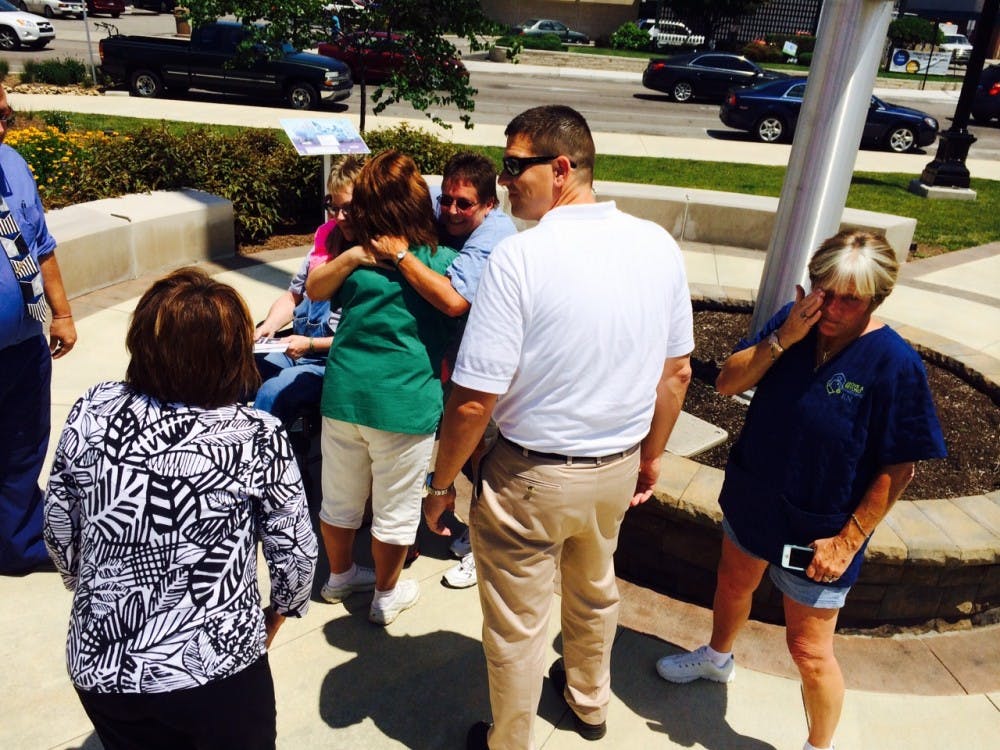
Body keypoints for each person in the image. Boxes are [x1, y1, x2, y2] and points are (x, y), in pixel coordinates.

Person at [422, 105, 694, 750]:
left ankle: (507, 741)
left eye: (514, 166)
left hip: (531, 475)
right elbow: (676, 373)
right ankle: (589, 703)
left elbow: (471, 400)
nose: (504, 180)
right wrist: (651, 457)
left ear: (561, 167)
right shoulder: (656, 243)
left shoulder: (521, 257)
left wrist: (440, 485)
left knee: (517, 626)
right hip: (616, 465)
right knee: (596, 594)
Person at [654, 230, 946, 750]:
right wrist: (784, 336)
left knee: (809, 650)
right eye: (822, 290)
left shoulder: (895, 364)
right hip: (755, 501)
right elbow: (725, 383)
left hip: (820, 534)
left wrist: (847, 541)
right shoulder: (794, 325)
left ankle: (819, 745)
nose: (829, 307)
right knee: (731, 586)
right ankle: (717, 659)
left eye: (847, 299)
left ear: (877, 298)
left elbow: (899, 468)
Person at [43, 267, 317, 750]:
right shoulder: (255, 435)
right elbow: (295, 556)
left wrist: (89, 588)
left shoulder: (93, 408)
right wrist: (277, 614)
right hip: (219, 673)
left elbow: (60, 530)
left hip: (102, 665)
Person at [305, 150, 458, 626]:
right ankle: (386, 597)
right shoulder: (440, 259)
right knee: (395, 510)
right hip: (403, 403)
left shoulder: (358, 261)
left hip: (345, 395)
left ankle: (339, 577)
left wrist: (354, 256)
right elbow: (454, 307)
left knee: (340, 498)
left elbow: (314, 289)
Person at [369, 151, 517, 589]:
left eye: (463, 204)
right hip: (447, 357)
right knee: (439, 447)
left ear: (489, 204)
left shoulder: (496, 233)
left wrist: (399, 255)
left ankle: (481, 545)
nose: (450, 210)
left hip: (486, 365)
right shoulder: (442, 204)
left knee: (480, 453)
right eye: (446, 199)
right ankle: (436, 523)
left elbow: (455, 300)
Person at [0, 83, 77, 575]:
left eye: (5, 115)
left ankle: (17, 543)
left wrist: (62, 313)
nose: (2, 127)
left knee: (23, 444)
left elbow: (41, 245)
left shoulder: (13, 164)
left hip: (25, 343)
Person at [252, 156, 364, 425]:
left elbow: (362, 339)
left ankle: (262, 459)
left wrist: (311, 344)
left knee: (274, 392)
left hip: (333, 363)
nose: (338, 217)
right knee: (238, 371)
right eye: (332, 207)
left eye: (348, 208)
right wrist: (267, 327)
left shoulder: (371, 254)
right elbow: (294, 296)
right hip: (297, 348)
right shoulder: (325, 239)